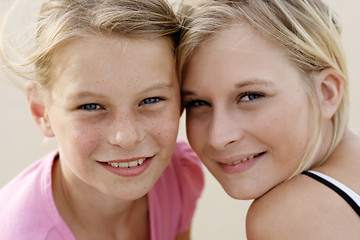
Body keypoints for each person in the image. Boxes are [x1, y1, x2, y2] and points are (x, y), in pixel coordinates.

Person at [0, 0, 204, 239]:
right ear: (41, 111)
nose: (126, 138)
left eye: (151, 100)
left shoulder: (178, 175)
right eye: (90, 106)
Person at [177, 0, 360, 239]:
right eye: (197, 103)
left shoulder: (291, 216)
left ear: (326, 93)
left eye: (251, 96)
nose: (218, 137)